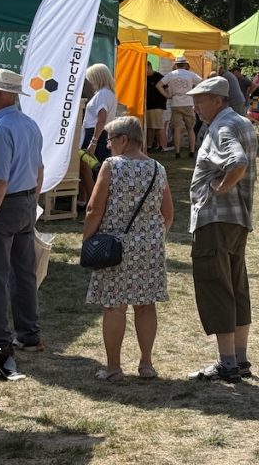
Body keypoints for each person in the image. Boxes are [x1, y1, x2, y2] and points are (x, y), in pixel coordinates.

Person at [84, 117, 174, 381]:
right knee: (145, 305)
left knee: (115, 306)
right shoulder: (157, 168)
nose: (108, 145)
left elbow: (94, 208)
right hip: (150, 247)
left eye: (110, 140)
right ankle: (146, 364)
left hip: (115, 247)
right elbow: (168, 213)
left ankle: (113, 368)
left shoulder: (111, 166)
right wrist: (154, 237)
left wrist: (87, 240)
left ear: (123, 140)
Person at [186, 76, 257, 383]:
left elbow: (237, 162)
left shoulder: (221, 127)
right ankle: (239, 360)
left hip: (214, 220)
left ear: (217, 100)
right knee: (236, 287)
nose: (195, 107)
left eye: (200, 100)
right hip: (237, 219)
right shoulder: (242, 122)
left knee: (216, 288)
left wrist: (220, 188)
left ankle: (227, 364)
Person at [0, 69, 45, 353]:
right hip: (25, 201)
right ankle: (29, 335)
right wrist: (32, 202)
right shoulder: (29, 124)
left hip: (5, 204)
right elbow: (39, 170)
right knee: (24, 273)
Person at [79, 64, 118, 205]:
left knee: (87, 168)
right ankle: (89, 200)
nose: (90, 82)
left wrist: (93, 141)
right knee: (94, 168)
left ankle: (93, 202)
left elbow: (101, 119)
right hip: (101, 133)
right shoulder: (108, 93)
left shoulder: (102, 94)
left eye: (91, 78)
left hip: (96, 134)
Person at [157, 57, 202, 159]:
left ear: (176, 65)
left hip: (175, 103)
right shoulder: (190, 74)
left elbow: (159, 85)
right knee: (190, 128)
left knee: (177, 129)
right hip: (188, 102)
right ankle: (192, 151)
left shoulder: (171, 74)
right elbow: (202, 82)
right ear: (186, 65)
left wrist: (167, 95)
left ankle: (177, 152)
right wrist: (195, 93)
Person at [145, 60, 168, 152]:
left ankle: (162, 146)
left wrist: (166, 98)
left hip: (157, 106)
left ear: (149, 67)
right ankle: (149, 146)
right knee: (150, 127)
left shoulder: (159, 77)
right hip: (148, 106)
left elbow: (166, 89)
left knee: (159, 127)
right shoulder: (144, 77)